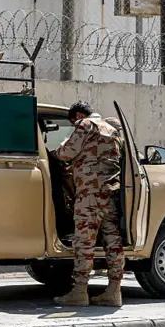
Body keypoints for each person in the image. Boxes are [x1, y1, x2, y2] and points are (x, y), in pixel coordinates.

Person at [53, 101, 125, 308]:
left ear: (78, 115)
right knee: (113, 242)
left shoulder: (86, 124)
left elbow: (67, 152)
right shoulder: (112, 130)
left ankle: (79, 291)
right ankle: (114, 291)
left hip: (89, 194)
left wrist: (53, 155)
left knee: (84, 242)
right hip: (110, 193)